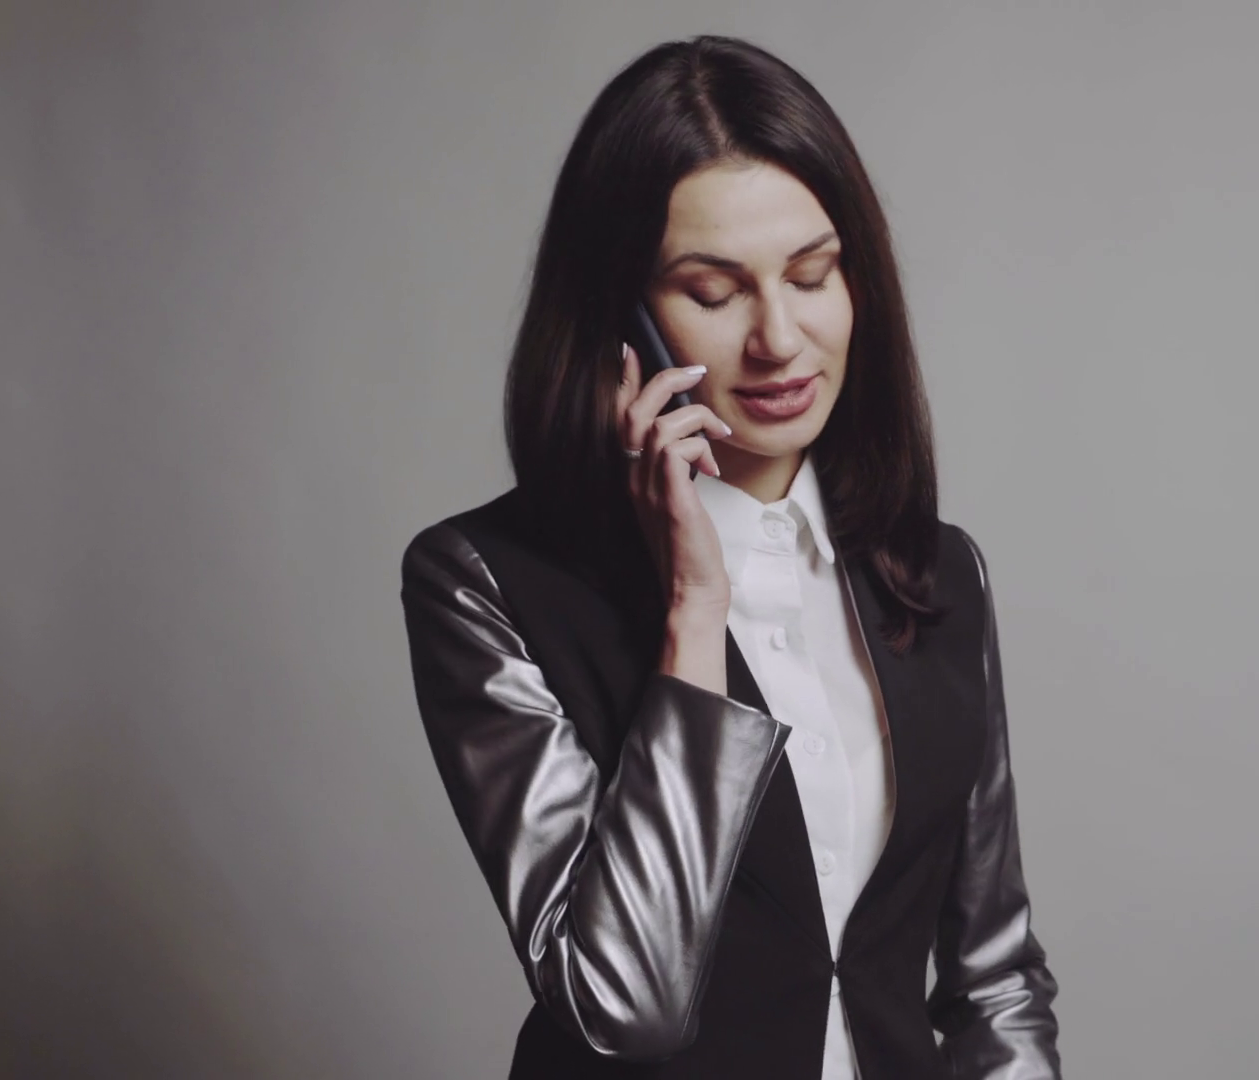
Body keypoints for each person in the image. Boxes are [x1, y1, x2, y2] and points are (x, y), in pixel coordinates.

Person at [398, 34, 1060, 1080]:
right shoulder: (487, 583)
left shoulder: (937, 571)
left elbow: (996, 979)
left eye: (812, 275)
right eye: (713, 292)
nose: (779, 339)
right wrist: (693, 609)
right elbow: (627, 1004)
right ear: (620, 317)